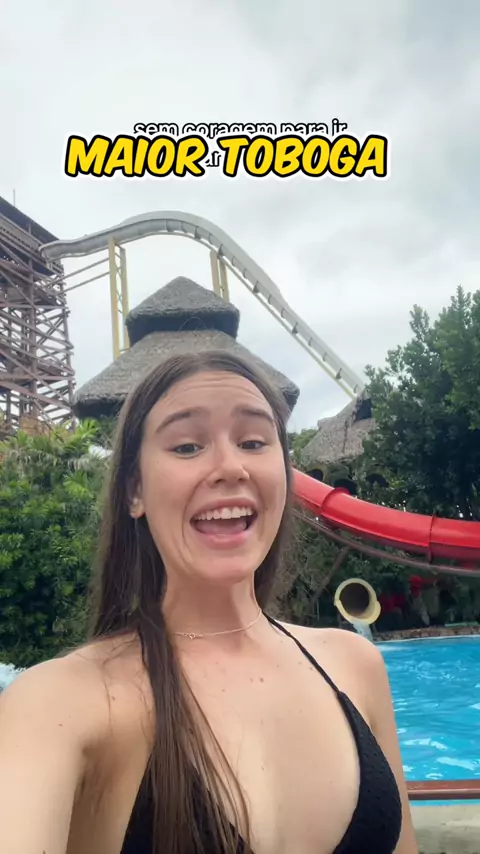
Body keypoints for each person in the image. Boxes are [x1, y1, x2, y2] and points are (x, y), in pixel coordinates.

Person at [0, 350, 418, 854]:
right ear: (134, 491)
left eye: (253, 442)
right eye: (187, 446)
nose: (230, 467)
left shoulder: (356, 666)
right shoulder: (60, 704)